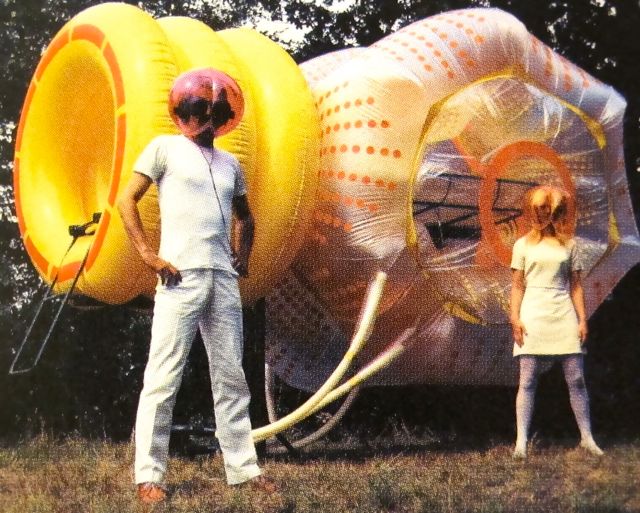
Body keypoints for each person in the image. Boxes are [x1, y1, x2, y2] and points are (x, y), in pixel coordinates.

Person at [117, 67, 275, 504]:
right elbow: (127, 200)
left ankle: (243, 470)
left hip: (222, 279)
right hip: (178, 276)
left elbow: (246, 217)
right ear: (184, 110)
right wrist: (148, 255)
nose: (206, 116)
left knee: (231, 377)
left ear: (224, 115)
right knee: (163, 375)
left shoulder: (230, 164)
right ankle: (149, 476)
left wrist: (242, 257)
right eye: (199, 108)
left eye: (214, 110)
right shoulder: (164, 148)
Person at [509, 184, 603, 459]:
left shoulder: (570, 245)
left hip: (563, 311)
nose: (540, 214)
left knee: (576, 378)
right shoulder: (522, 245)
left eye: (546, 209)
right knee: (527, 379)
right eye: (537, 209)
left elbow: (576, 286)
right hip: (533, 312)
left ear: (556, 211)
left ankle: (587, 438)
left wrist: (582, 319)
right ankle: (521, 442)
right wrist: (515, 318)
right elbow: (517, 286)